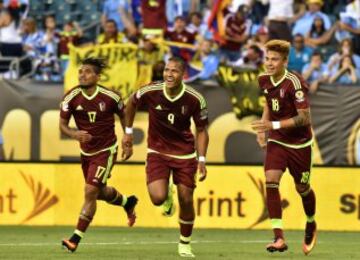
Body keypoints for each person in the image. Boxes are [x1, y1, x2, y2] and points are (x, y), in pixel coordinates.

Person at [122, 56, 209, 258]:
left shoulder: (195, 98)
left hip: (185, 154)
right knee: (157, 198)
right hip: (158, 152)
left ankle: (185, 244)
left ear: (183, 74)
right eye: (167, 70)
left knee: (186, 199)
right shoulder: (151, 91)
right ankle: (167, 194)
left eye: (174, 71)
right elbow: (131, 102)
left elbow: (202, 130)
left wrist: (202, 160)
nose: (169, 74)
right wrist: (127, 132)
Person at [60, 58, 138, 253]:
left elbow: (124, 115)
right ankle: (127, 202)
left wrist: (127, 137)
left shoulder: (111, 97)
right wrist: (73, 133)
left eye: (87, 72)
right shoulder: (71, 97)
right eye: (80, 71)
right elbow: (62, 125)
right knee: (99, 192)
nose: (82, 75)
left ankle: (75, 239)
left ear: (97, 76)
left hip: (106, 150)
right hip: (86, 152)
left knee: (89, 191)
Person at [251, 40, 317, 255]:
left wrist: (272, 125)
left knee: (302, 189)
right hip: (278, 140)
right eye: (267, 58)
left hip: (300, 143)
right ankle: (279, 237)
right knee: (270, 180)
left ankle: (310, 222)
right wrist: (264, 128)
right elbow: (269, 104)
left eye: (274, 59)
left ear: (285, 61)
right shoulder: (263, 80)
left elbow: (305, 118)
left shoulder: (295, 83)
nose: (269, 63)